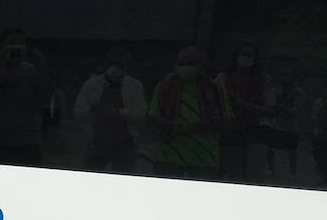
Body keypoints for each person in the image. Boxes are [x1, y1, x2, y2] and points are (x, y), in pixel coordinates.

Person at [148, 46, 232, 180]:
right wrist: (172, 125)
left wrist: (196, 127)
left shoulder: (215, 89)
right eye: (181, 63)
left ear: (201, 66)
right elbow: (152, 117)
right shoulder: (164, 87)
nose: (185, 67)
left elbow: (226, 121)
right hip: (168, 157)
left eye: (190, 63)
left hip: (204, 158)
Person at [0, 29, 48, 165]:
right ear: (1, 47)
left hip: (29, 142)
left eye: (20, 44)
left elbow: (45, 100)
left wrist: (42, 67)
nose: (15, 48)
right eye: (11, 44)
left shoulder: (33, 72)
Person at [73, 47, 146, 173]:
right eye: (112, 63)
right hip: (96, 144)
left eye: (119, 64)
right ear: (106, 63)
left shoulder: (135, 86)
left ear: (125, 65)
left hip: (124, 144)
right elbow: (77, 113)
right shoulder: (91, 85)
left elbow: (141, 114)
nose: (115, 67)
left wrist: (119, 112)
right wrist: (92, 109)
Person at [215, 41, 274, 182]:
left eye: (250, 55)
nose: (246, 58)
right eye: (243, 54)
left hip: (257, 129)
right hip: (230, 128)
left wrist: (241, 103)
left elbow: (270, 111)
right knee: (234, 174)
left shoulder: (264, 80)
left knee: (254, 175)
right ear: (236, 56)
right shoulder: (223, 78)